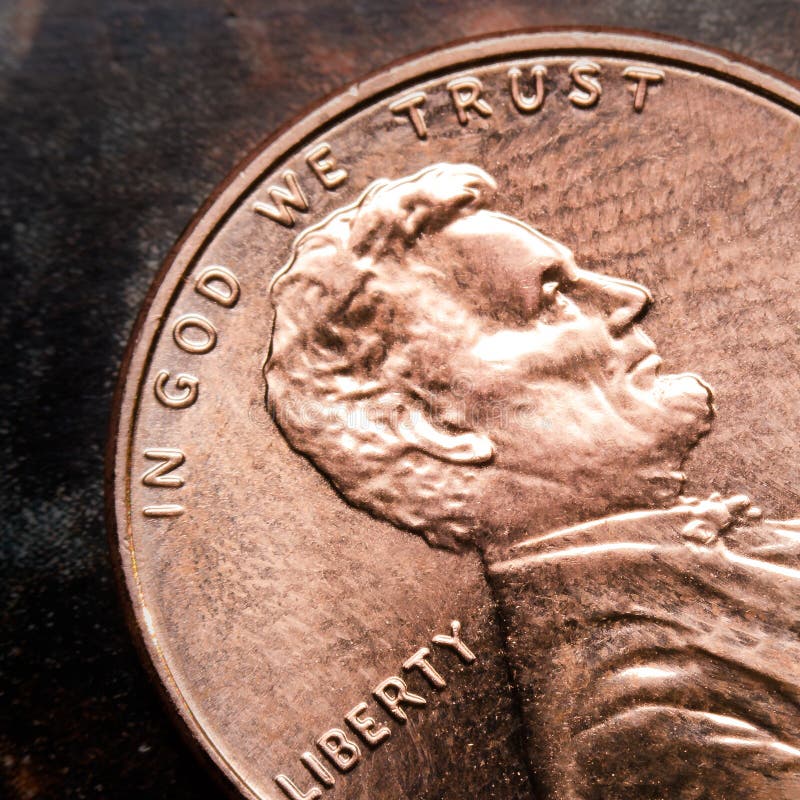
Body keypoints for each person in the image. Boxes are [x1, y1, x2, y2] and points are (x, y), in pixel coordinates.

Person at [264, 163, 800, 799]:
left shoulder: (715, 568)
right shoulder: (639, 729)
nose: (628, 297)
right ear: (438, 422)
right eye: (550, 298)